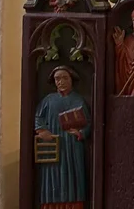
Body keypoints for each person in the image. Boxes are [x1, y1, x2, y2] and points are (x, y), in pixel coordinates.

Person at [33, 66, 91, 208]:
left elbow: (89, 123)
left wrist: (80, 133)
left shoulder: (79, 100)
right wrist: (42, 131)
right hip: (53, 145)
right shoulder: (48, 100)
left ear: (71, 80)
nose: (61, 81)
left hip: (72, 146)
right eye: (57, 78)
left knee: (73, 178)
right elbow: (38, 118)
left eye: (65, 78)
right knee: (52, 179)